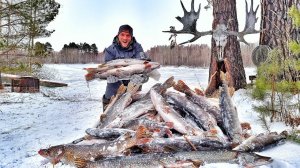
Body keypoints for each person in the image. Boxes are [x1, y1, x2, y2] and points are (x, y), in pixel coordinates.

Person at [102, 24, 150, 110]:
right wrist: (108, 76)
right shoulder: (110, 50)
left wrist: (142, 76)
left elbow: (142, 66)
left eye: (128, 35)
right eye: (122, 35)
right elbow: (107, 68)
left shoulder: (138, 48)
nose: (125, 38)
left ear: (131, 37)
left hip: (133, 83)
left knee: (132, 111)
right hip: (114, 84)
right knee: (109, 110)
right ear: (118, 35)